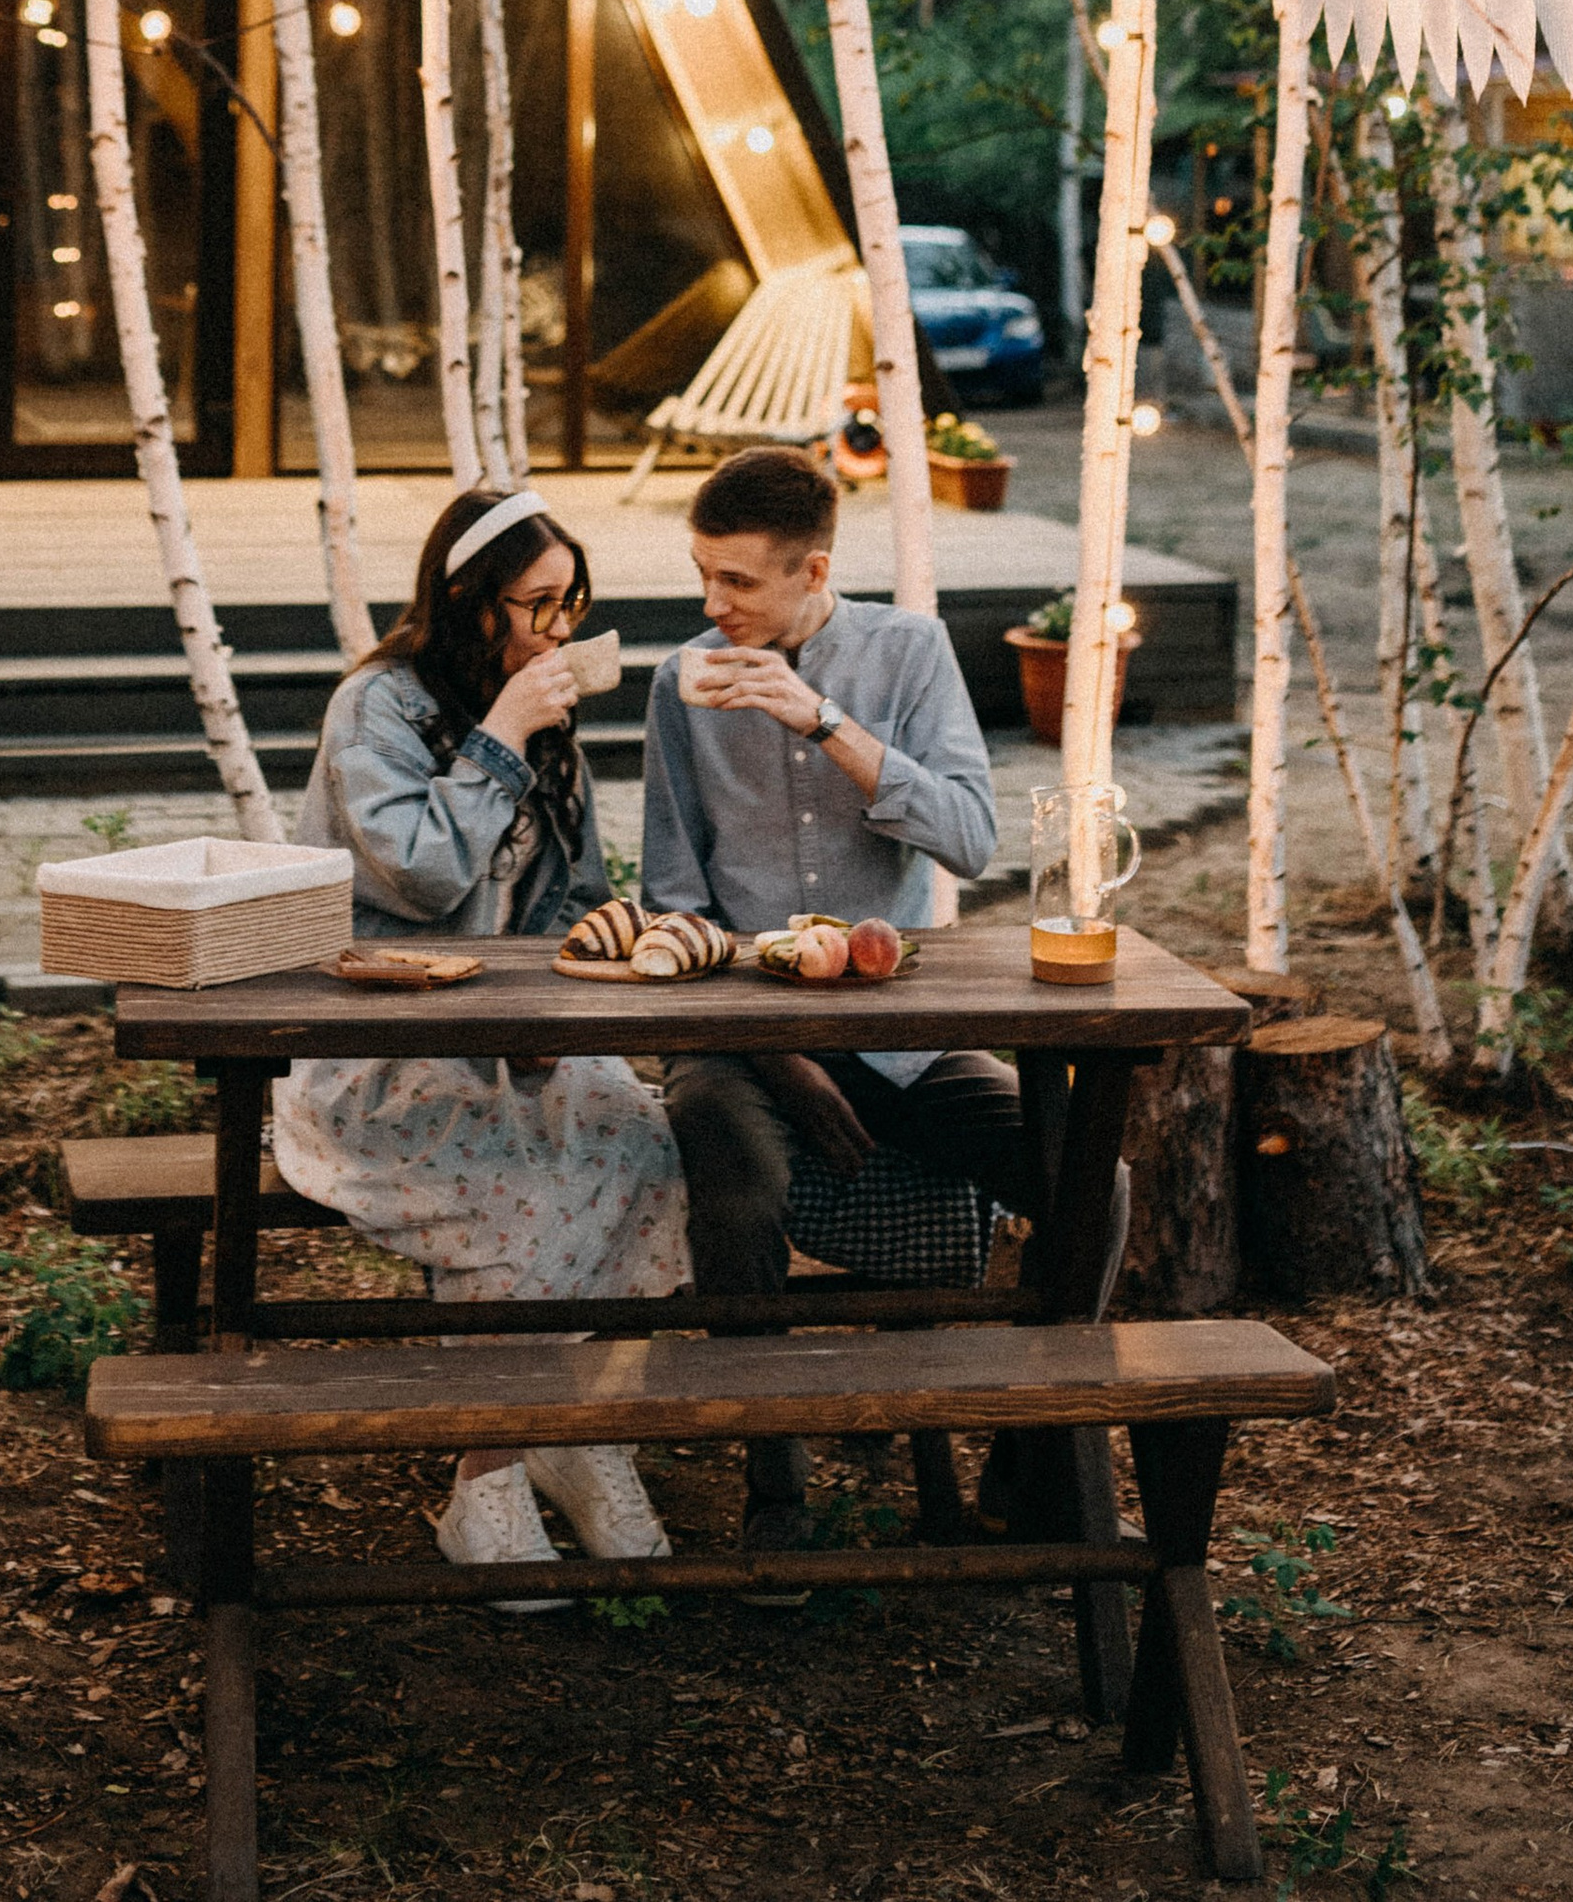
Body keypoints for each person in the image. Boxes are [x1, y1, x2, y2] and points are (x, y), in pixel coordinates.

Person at [643, 438, 1090, 1567]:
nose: (713, 604)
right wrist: (782, 1047)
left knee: (1092, 1175)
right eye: (704, 575)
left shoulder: (910, 650)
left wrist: (816, 719)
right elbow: (673, 897)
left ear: (814, 569)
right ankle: (774, 1484)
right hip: (738, 1037)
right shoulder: (678, 682)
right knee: (725, 1153)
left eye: (737, 581)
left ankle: (1030, 1459)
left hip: (897, 1032)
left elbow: (973, 839)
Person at [275, 483, 688, 1602]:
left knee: (644, 1149)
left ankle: (573, 1428)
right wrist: (502, 734)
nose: (559, 628)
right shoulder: (378, 707)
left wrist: (592, 930)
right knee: (516, 1192)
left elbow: (574, 890)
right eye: (537, 603)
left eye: (573, 601)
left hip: (517, 1037)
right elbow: (421, 873)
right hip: (376, 1047)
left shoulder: (543, 713)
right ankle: (489, 1471)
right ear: (469, 602)